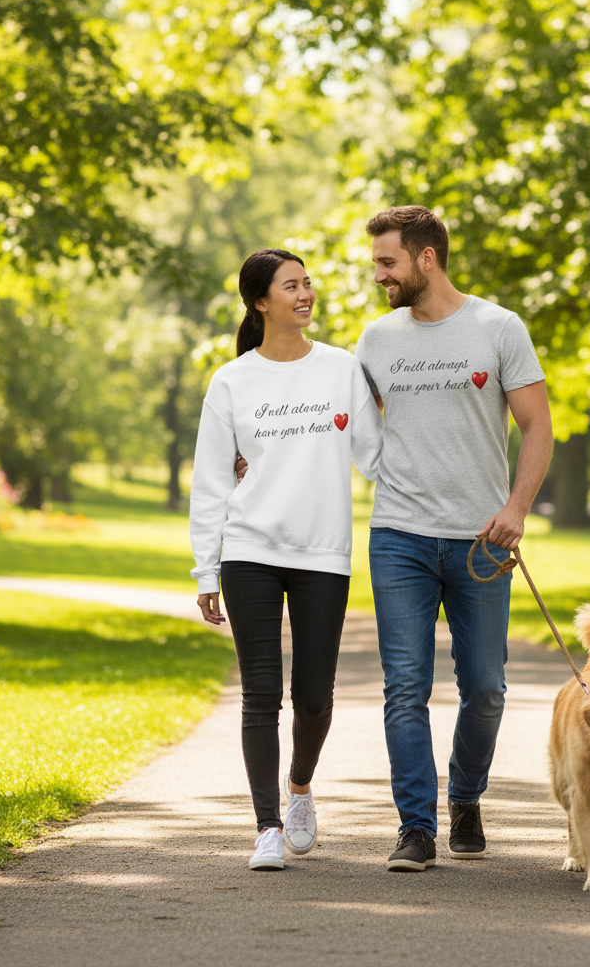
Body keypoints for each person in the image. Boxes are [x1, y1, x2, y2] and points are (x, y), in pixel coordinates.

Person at [354, 206, 553, 871]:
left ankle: (465, 797)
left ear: (425, 258)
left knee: (486, 687)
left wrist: (516, 507)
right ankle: (416, 827)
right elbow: (338, 421)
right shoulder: (376, 339)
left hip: (481, 543)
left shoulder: (498, 328)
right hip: (399, 537)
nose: (378, 274)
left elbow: (538, 426)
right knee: (404, 686)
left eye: (387, 262)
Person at [190, 248, 383, 871]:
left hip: (323, 551)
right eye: (290, 286)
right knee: (260, 694)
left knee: (316, 697)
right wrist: (206, 569)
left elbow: (377, 459)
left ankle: (298, 787)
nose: (305, 295)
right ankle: (266, 827)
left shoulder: (341, 369)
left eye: (308, 284)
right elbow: (212, 482)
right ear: (260, 301)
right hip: (250, 551)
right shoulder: (232, 380)